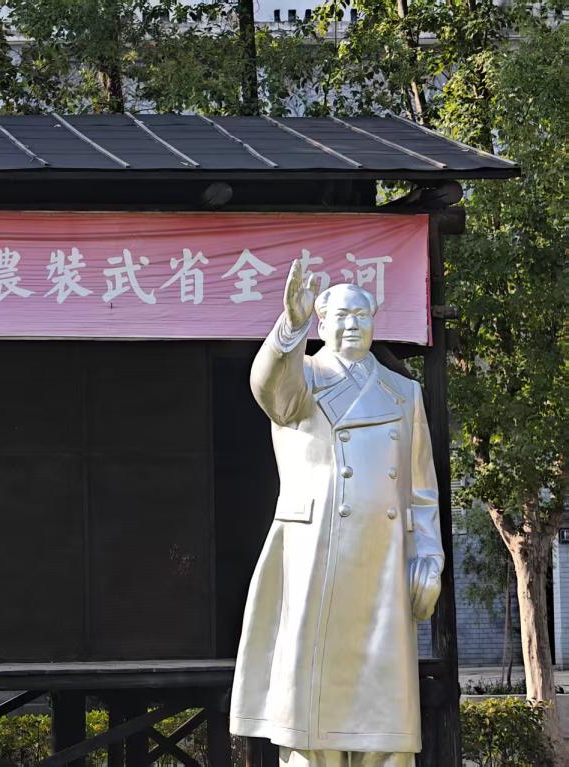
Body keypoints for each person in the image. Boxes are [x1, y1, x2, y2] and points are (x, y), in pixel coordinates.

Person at [229, 259, 444, 767]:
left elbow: (421, 491)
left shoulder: (404, 393)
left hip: (383, 560)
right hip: (315, 554)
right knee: (312, 705)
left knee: (384, 708)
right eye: (341, 316)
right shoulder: (301, 379)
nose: (352, 325)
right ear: (321, 324)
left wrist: (429, 557)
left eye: (361, 316)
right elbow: (270, 389)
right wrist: (290, 328)